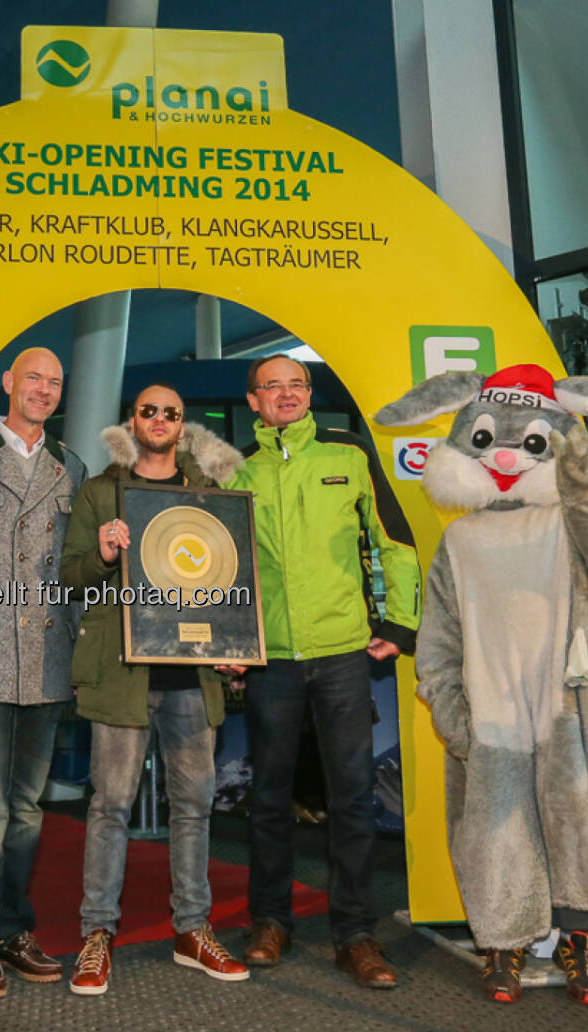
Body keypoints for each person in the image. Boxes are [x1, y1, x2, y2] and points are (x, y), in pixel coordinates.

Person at [221, 355, 421, 989]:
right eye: (272, 386)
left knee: (353, 800)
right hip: (271, 657)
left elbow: (395, 541)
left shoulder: (348, 454)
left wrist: (400, 625)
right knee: (270, 800)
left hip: (340, 651)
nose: (286, 394)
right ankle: (270, 922)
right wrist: (228, 639)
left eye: (296, 385)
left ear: (309, 395)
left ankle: (356, 935)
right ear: (253, 401)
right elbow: (219, 567)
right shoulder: (235, 472)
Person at [60, 384, 248, 996]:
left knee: (194, 807)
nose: (160, 419)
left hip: (192, 676)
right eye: (149, 411)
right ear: (132, 421)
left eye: (171, 411)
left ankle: (192, 930)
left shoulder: (210, 495)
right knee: (109, 806)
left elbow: (231, 581)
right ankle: (96, 937)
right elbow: (72, 577)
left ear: (183, 423)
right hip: (121, 674)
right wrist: (106, 554)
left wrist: (236, 645)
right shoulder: (99, 492)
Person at [0, 347, 86, 998]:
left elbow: (82, 566)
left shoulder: (71, 467)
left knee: (28, 809)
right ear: (7, 383)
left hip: (48, 659)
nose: (44, 390)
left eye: (55, 383)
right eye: (33, 378)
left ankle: (12, 927)